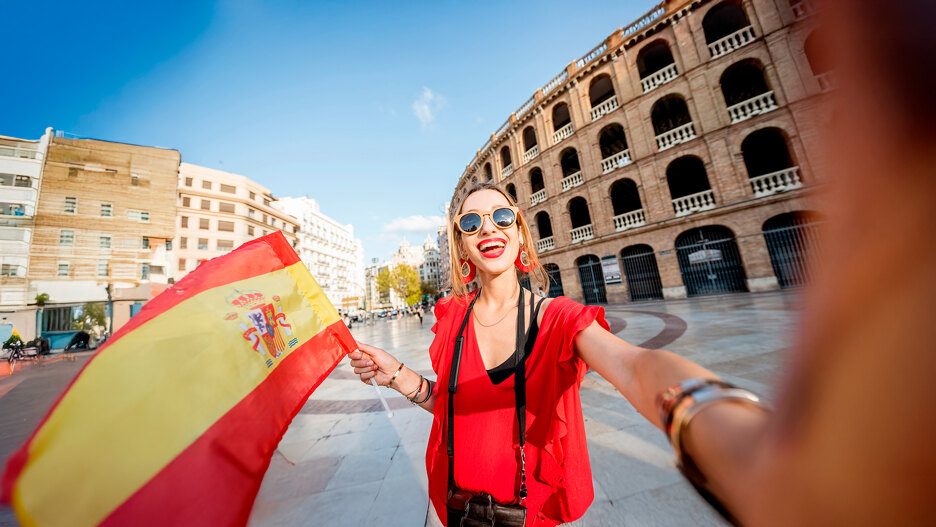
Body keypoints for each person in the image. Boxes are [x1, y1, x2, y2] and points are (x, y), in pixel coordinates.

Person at [350, 183, 756, 526]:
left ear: (521, 232)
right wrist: (397, 375)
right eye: (471, 223)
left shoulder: (556, 318)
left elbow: (633, 366)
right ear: (461, 246)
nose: (487, 228)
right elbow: (453, 407)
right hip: (457, 509)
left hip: (530, 515)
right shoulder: (450, 318)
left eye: (501, 217)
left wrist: (713, 411)